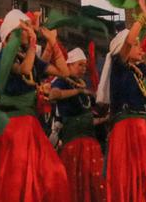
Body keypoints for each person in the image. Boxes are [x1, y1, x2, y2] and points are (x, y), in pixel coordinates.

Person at [0, 9, 69, 202]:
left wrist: (52, 42)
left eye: (27, 28)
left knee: (54, 173)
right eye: (22, 28)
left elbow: (64, 71)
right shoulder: (3, 56)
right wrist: (34, 44)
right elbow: (25, 69)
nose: (27, 32)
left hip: (30, 126)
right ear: (9, 35)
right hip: (14, 127)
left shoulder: (30, 56)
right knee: (17, 181)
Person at [96, 0, 146, 202]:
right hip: (126, 127)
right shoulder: (119, 66)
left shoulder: (138, 70)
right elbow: (129, 41)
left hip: (139, 127)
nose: (140, 47)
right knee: (128, 177)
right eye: (137, 44)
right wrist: (141, 18)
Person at [49, 48, 105, 202]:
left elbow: (87, 117)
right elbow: (53, 94)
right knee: (77, 187)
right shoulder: (63, 80)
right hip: (74, 145)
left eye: (85, 65)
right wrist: (78, 92)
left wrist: (105, 118)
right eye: (80, 65)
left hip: (90, 143)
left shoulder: (82, 84)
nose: (84, 68)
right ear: (69, 65)